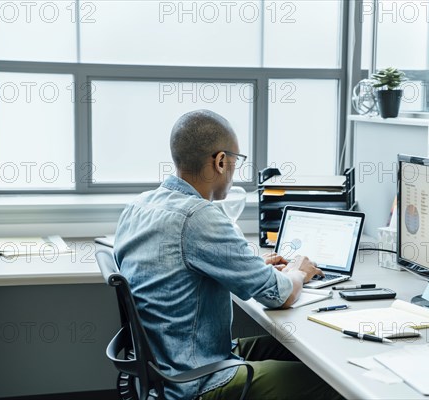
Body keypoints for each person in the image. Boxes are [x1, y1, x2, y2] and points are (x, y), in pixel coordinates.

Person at [114, 109, 344, 399]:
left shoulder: (138, 206)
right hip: (196, 380)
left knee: (300, 350)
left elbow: (180, 269)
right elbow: (279, 295)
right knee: (335, 381)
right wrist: (300, 270)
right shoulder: (198, 216)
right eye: (237, 161)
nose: (235, 170)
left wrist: (251, 266)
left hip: (167, 369)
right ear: (221, 161)